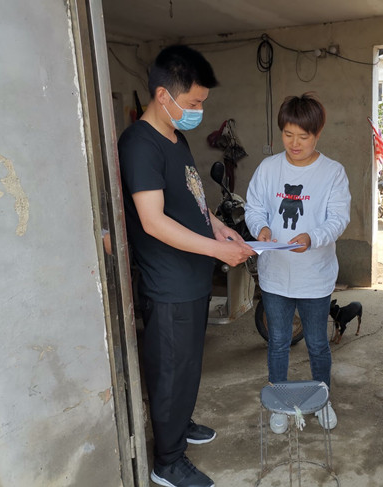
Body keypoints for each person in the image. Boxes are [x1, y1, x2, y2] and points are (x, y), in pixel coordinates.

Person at [118, 45, 255, 487]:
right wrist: (217, 251)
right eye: (194, 103)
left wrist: (220, 229)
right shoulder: (140, 145)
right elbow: (153, 221)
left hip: (192, 278)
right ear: (164, 96)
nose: (198, 111)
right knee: (171, 370)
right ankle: (168, 462)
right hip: (169, 284)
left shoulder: (177, 137)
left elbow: (192, 200)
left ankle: (178, 424)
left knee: (188, 366)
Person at [245, 93, 351, 434]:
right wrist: (260, 228)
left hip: (314, 276)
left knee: (317, 343)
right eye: (288, 134)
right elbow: (254, 207)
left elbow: (338, 219)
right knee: (278, 342)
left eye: (303, 137)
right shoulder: (268, 168)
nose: (294, 143)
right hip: (275, 275)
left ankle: (322, 399)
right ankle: (279, 402)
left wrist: (313, 238)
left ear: (317, 134)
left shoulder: (332, 172)